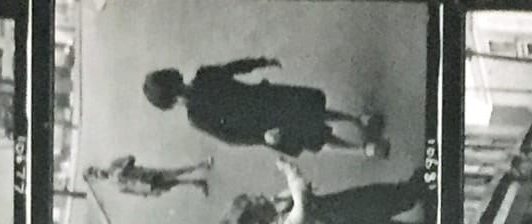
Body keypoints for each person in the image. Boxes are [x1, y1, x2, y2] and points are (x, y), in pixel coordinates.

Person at [142, 59, 387, 156]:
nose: (182, 92)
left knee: (313, 109)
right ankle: (361, 149)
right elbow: (230, 137)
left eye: (177, 86)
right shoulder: (196, 116)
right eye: (175, 94)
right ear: (171, 102)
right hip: (263, 126)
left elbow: (232, 68)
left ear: (175, 78)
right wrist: (263, 138)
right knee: (314, 136)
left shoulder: (203, 76)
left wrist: (261, 62)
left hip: (266, 98)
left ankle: (356, 120)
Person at [222, 156, 426, 224]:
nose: (260, 195)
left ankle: (412, 191)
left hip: (335, 208)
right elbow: (300, 199)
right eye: (257, 201)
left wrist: (301, 190)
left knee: (375, 196)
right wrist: (290, 171)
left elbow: (296, 194)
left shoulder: (272, 208)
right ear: (259, 223)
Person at [86, 153, 213, 196]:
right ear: (98, 179)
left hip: (149, 174)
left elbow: (131, 157)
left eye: (97, 171)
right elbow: (129, 190)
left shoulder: (114, 164)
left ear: (98, 167)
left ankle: (203, 164)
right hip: (147, 185)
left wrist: (124, 167)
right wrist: (147, 194)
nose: (99, 174)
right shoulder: (113, 184)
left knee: (176, 172)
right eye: (96, 176)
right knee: (174, 183)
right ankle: (199, 183)